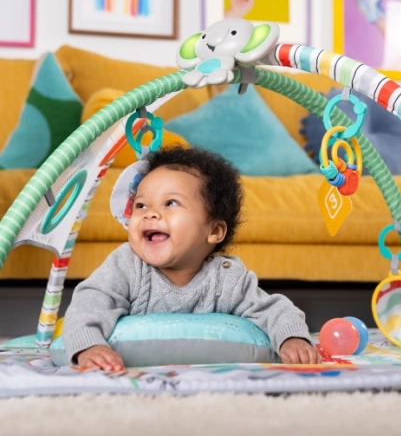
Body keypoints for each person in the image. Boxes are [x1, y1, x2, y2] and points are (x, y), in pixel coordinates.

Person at [62, 145, 320, 370]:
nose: (150, 214)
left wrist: (291, 338)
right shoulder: (126, 265)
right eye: (141, 205)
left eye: (170, 203)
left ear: (214, 231)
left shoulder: (226, 278)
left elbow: (272, 309)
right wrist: (89, 346)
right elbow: (89, 304)